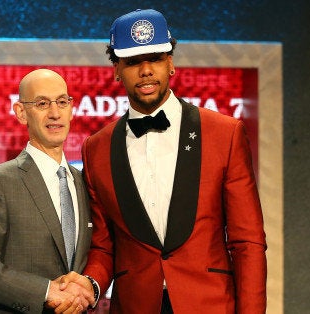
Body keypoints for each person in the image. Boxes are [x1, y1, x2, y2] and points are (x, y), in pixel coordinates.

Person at [62, 8, 267, 313]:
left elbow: (247, 242)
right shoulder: (97, 148)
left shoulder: (225, 133)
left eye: (155, 58)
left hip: (210, 305)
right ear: (116, 69)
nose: (146, 70)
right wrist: (89, 285)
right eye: (132, 61)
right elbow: (104, 245)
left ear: (170, 63)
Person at [0, 69, 94, 313]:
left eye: (62, 102)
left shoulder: (85, 183)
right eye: (42, 103)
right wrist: (45, 290)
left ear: (71, 109)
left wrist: (89, 286)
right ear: (21, 112)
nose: (54, 113)